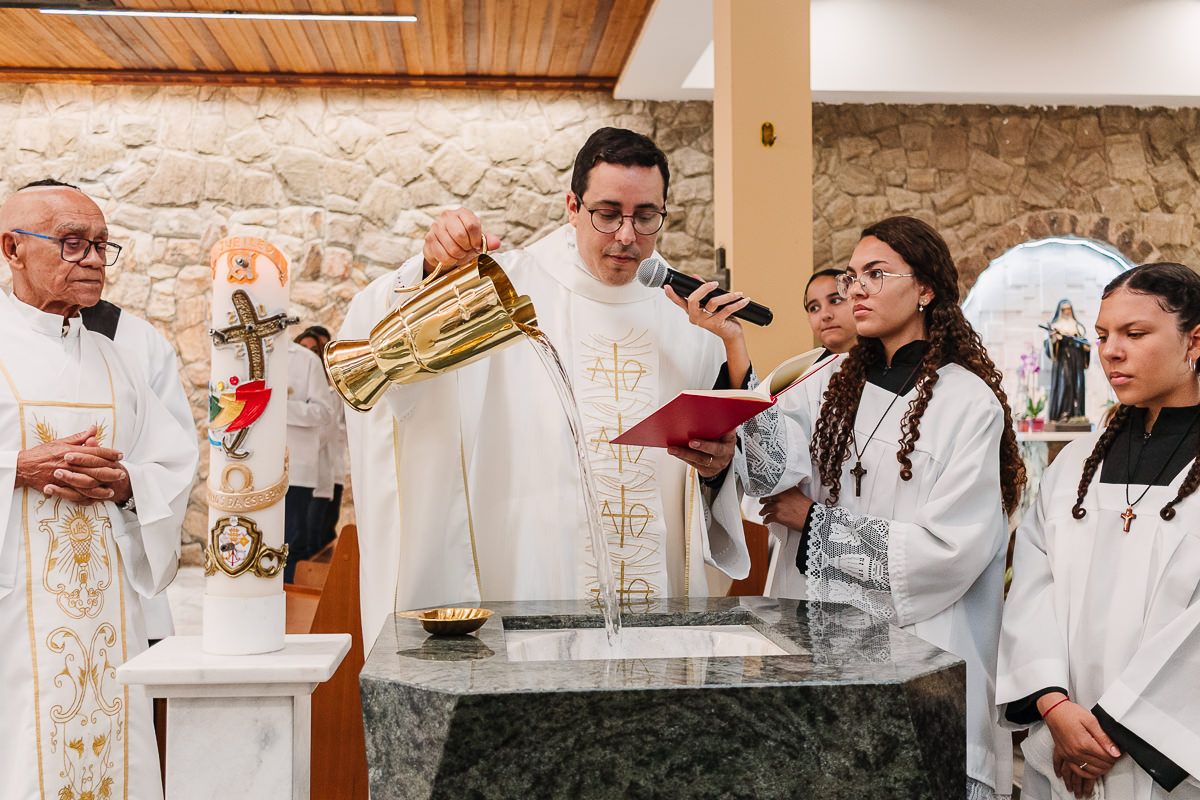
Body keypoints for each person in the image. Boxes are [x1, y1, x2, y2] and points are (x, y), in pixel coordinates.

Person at [339, 127, 743, 648]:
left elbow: (715, 481)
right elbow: (370, 346)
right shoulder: (501, 288)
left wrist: (718, 469)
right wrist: (428, 272)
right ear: (572, 206)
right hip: (531, 584)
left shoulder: (687, 322)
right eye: (606, 212)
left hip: (654, 609)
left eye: (646, 216)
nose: (626, 235)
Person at [673, 216, 1025, 800]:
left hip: (922, 660)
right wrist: (735, 345)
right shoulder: (829, 380)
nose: (855, 289)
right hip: (820, 658)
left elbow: (951, 552)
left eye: (875, 275)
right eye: (851, 276)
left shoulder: (967, 401)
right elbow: (770, 468)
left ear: (926, 289)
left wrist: (813, 523)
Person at [0, 183, 197, 799]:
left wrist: (128, 482)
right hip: (12, 613)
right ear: (12, 248)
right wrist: (14, 467)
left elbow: (171, 461)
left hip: (107, 615)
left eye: (102, 247)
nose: (90, 259)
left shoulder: (119, 361)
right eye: (71, 243)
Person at [998, 262, 1200, 800]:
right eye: (1104, 335)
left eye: (1135, 334)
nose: (1110, 351)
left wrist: (1111, 730)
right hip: (1064, 734)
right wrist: (1054, 706)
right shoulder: (1076, 464)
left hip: (1166, 756)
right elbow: (1032, 591)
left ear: (1194, 341)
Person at [283, 337, 334, 582]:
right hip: (256, 469)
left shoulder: (307, 361)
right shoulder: (246, 356)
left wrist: (280, 408)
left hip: (296, 469)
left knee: (292, 543)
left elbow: (324, 412)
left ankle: (291, 608)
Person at [296, 325, 345, 553]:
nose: (309, 354)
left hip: (321, 475)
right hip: (296, 474)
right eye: (303, 348)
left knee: (313, 543)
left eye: (316, 349)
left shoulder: (333, 392)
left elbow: (326, 431)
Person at [1044, 298, 1090, 422]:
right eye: (1064, 309)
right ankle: (1063, 414)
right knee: (1065, 384)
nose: (1067, 312)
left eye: (1069, 309)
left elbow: (1084, 343)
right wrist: (1054, 339)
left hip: (1077, 359)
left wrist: (1086, 347)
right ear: (1060, 311)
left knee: (1077, 385)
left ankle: (1076, 414)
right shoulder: (1055, 326)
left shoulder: (1077, 326)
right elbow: (1049, 347)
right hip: (1063, 359)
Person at [805, 267, 855, 355]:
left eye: (835, 301)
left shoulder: (887, 359)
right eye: (814, 308)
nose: (825, 315)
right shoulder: (807, 368)